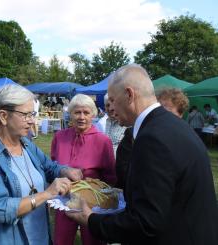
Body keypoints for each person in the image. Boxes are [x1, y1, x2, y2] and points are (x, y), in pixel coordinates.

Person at [66, 64, 218, 245]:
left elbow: (146, 222)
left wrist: (92, 220)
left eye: (113, 100)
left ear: (129, 95)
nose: (110, 108)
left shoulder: (152, 139)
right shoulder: (172, 125)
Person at [0, 84, 83, 244]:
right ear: (3, 116)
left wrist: (65, 170)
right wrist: (46, 194)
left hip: (40, 236)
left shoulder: (26, 144)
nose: (32, 121)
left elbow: (49, 167)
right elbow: (0, 208)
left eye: (33, 114)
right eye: (26, 115)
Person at [51, 94, 116, 245]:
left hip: (92, 201)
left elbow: (110, 175)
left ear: (93, 115)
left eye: (86, 113)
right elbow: (52, 165)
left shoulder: (103, 140)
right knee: (61, 239)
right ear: (70, 114)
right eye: (77, 112)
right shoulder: (60, 137)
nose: (81, 117)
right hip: (64, 198)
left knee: (92, 240)